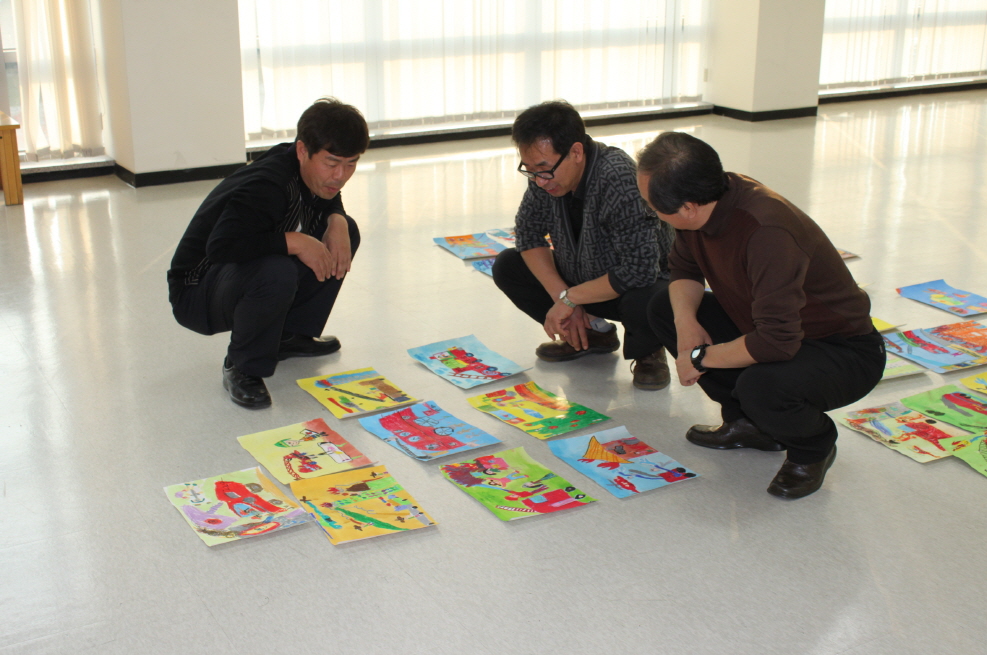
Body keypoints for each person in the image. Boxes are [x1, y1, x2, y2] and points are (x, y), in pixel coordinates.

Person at [637, 132, 885, 499]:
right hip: (765, 326)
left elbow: (776, 342)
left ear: (687, 207)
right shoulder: (704, 205)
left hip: (840, 349)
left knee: (762, 387)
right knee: (664, 307)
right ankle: (748, 423)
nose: (650, 211)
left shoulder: (767, 230)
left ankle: (813, 447)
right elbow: (685, 270)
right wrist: (686, 325)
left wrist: (699, 357)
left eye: (652, 205)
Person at [167, 97, 368, 409]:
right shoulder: (267, 185)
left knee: (345, 231)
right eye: (331, 164)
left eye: (351, 164)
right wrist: (296, 242)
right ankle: (242, 366)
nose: (340, 176)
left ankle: (288, 335)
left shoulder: (303, 166)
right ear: (302, 150)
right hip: (198, 291)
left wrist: (337, 218)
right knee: (275, 270)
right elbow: (222, 247)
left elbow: (326, 196)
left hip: (235, 272)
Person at [491, 100, 675, 390]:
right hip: (583, 278)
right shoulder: (545, 177)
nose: (539, 181)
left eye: (543, 169)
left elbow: (639, 269)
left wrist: (569, 299)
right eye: (530, 170)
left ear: (576, 152)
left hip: (637, 284)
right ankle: (592, 334)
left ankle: (649, 351)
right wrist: (565, 298)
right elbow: (528, 234)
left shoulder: (618, 177)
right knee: (508, 265)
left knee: (649, 297)